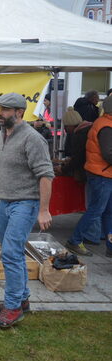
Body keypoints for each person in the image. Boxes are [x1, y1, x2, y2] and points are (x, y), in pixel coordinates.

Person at [0, 93, 53, 329]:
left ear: (20, 113)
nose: (0, 113)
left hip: (26, 203)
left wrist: (43, 210)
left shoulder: (33, 139)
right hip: (4, 201)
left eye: (5, 109)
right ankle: (22, 299)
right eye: (0, 108)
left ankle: (12, 307)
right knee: (10, 251)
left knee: (11, 253)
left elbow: (46, 175)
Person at [66, 96, 112, 258]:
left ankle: (110, 245)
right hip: (102, 174)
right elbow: (108, 154)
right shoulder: (106, 126)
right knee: (97, 210)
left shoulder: (104, 123)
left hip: (103, 173)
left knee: (107, 212)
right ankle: (75, 240)